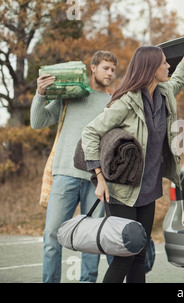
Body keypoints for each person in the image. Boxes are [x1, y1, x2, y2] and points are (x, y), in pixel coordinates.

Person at [81, 31, 184, 283]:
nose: (168, 66)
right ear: (151, 68)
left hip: (148, 190)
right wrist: (99, 178)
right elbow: (90, 132)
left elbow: (178, 80)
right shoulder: (126, 101)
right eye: (164, 62)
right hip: (121, 191)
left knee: (139, 254)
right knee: (124, 255)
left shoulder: (164, 93)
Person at [30, 51, 118, 283]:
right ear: (93, 68)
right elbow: (37, 122)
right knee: (51, 236)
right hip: (65, 175)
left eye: (113, 70)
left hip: (96, 180)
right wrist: (40, 94)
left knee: (90, 242)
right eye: (106, 68)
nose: (110, 73)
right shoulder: (70, 94)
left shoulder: (113, 102)